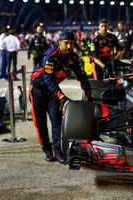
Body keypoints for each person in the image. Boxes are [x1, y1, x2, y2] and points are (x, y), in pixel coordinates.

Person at [29, 30, 92, 163]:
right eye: (66, 43)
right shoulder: (50, 56)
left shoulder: (73, 58)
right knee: (40, 124)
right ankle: (47, 150)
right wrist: (62, 97)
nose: (69, 46)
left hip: (52, 92)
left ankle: (58, 151)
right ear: (59, 43)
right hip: (37, 91)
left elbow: (82, 77)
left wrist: (89, 94)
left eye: (72, 43)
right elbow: (48, 80)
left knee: (56, 122)